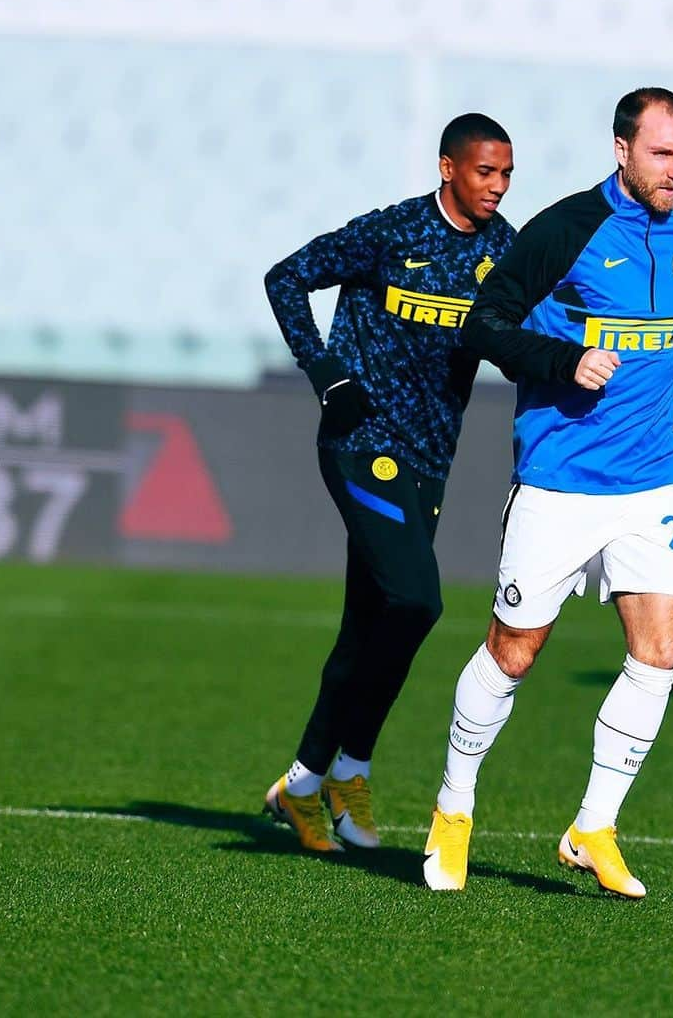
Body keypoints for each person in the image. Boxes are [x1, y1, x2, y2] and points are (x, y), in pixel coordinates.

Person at [421, 88, 673, 899]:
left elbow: (671, 337)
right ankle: (454, 809)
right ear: (621, 148)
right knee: (513, 652)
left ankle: (594, 826)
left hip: (650, 484)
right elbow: (483, 325)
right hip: (559, 482)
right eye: (663, 154)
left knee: (659, 652)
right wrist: (563, 362)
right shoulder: (565, 229)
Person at [262, 114, 516, 852]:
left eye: (505, 174)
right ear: (448, 168)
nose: (496, 186)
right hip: (361, 443)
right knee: (417, 600)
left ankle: (306, 785)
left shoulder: (503, 252)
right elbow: (286, 279)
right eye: (483, 172)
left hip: (431, 458)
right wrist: (323, 371)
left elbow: (524, 336)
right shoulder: (391, 233)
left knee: (370, 626)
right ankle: (343, 768)